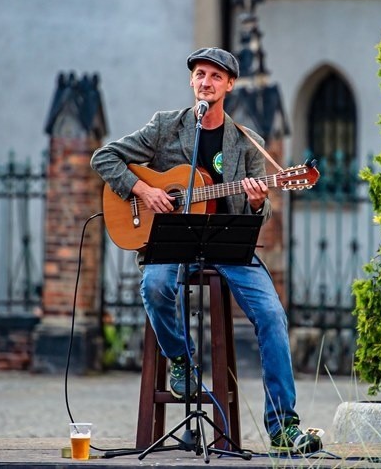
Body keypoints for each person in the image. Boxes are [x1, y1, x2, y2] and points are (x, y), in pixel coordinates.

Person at [90, 47, 322, 454]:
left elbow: (260, 213)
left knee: (271, 315)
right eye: (200, 74)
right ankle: (181, 358)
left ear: (229, 85)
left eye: (215, 76)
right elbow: (103, 157)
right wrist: (144, 189)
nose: (206, 82)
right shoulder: (166, 127)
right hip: (170, 239)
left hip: (225, 243)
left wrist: (254, 201)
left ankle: (284, 426)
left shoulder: (248, 142)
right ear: (191, 81)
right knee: (156, 287)